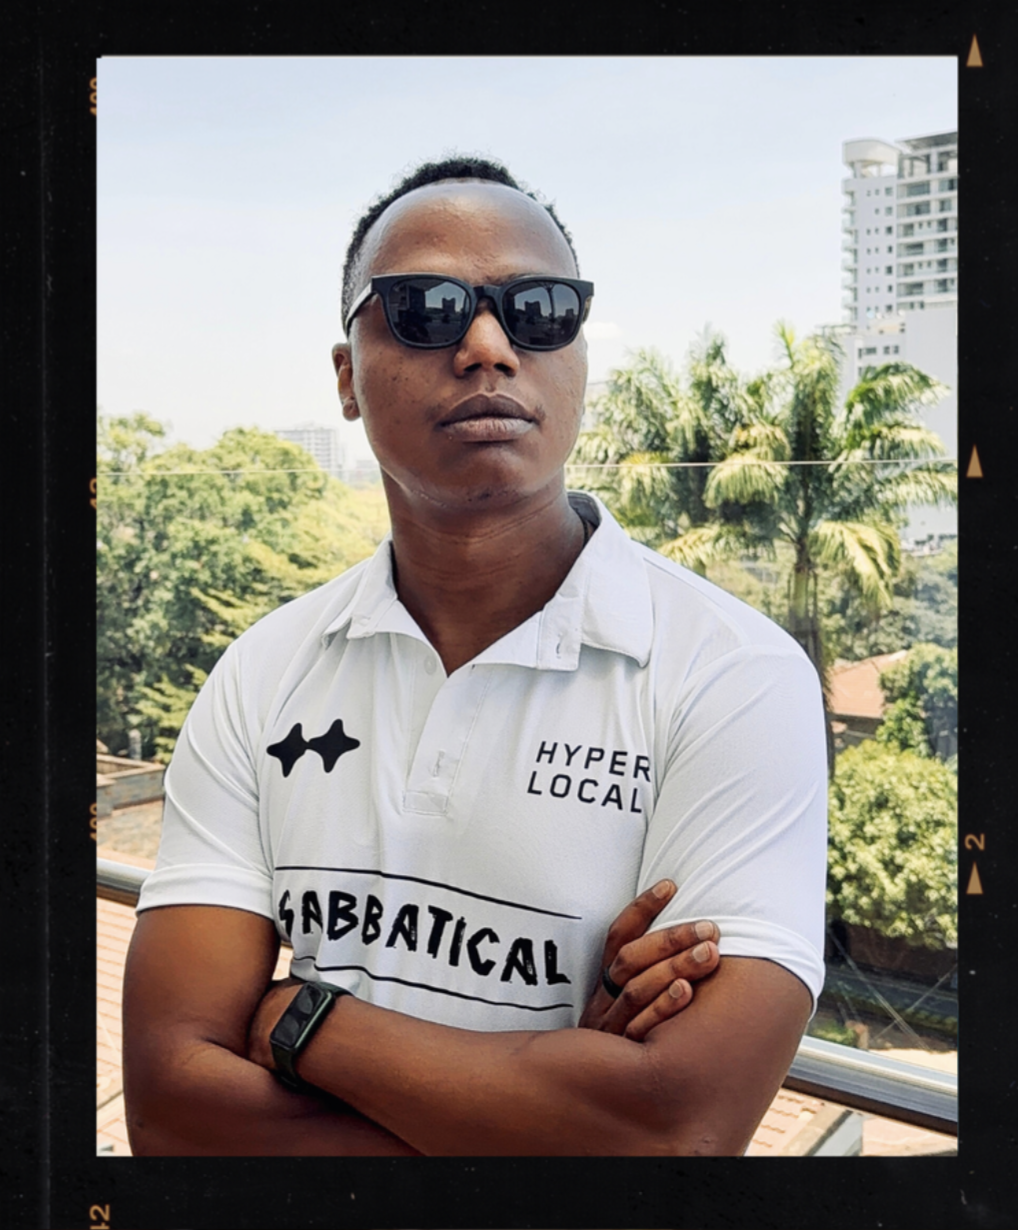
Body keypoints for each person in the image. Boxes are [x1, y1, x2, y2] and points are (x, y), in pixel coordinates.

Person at [123, 156, 827, 1157]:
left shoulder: (729, 677)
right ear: (345, 378)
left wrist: (297, 1023)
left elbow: (673, 1133)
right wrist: (543, 1115)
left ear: (579, 353)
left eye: (540, 310)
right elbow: (168, 1111)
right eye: (425, 309)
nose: (488, 346)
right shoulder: (265, 672)